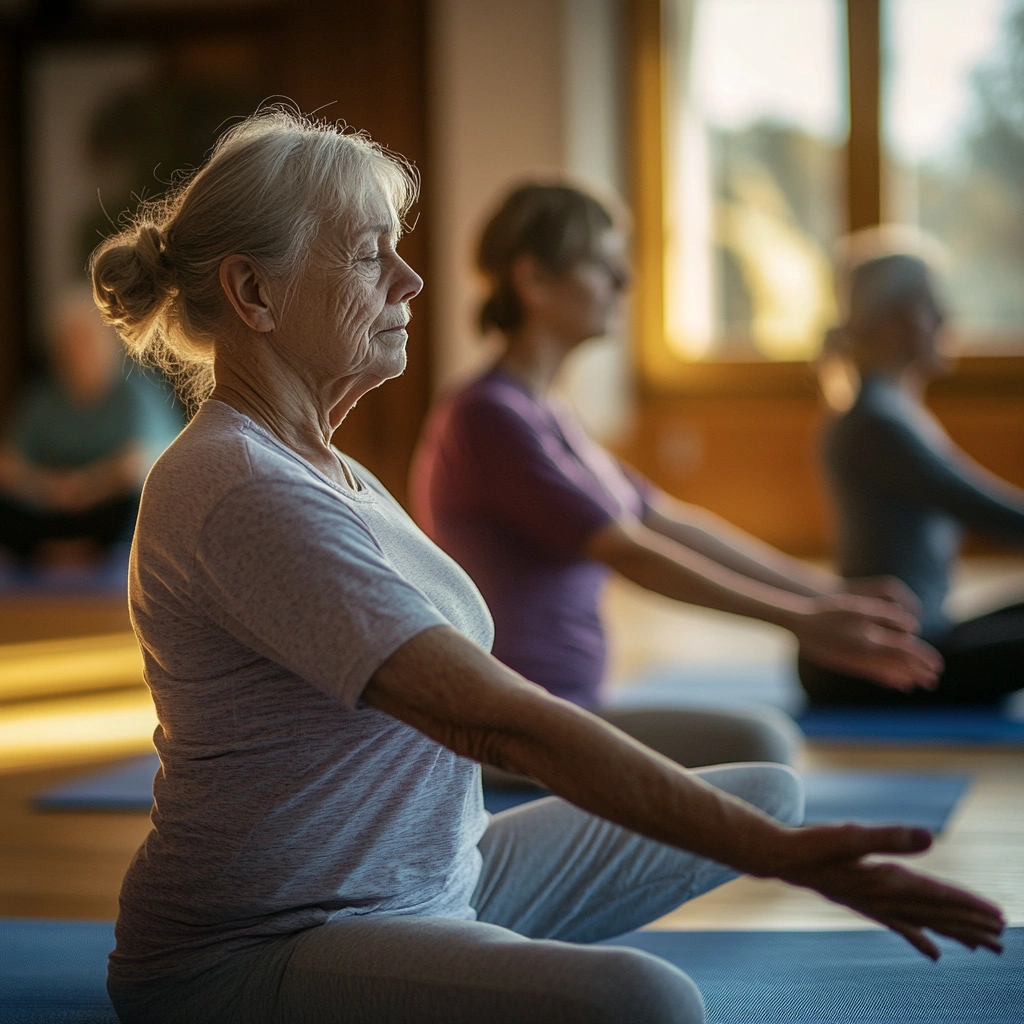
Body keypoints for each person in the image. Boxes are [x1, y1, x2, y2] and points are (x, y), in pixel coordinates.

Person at [90, 110, 1003, 1024]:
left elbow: (651, 521)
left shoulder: (328, 462)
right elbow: (495, 723)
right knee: (645, 1001)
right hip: (269, 943)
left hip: (444, 871)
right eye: (371, 256)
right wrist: (781, 857)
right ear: (253, 293)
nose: (410, 280)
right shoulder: (239, 488)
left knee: (767, 786)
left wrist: (815, 619)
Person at [411, 183, 944, 772]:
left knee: (759, 750)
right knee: (762, 749)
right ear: (534, 280)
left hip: (566, 711)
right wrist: (798, 621)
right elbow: (630, 551)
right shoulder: (487, 417)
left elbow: (667, 521)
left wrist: (825, 596)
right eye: (602, 264)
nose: (625, 282)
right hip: (515, 729)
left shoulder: (546, 413)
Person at [800, 246, 1024, 706]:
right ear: (888, 321)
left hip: (914, 636)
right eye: (929, 303)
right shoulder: (876, 424)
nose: (946, 317)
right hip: (869, 660)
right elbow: (985, 510)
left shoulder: (892, 411)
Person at [0, 286, 180, 567]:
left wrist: (88, 487)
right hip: (50, 505)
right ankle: (53, 552)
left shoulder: (136, 394)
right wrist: (47, 488)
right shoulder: (41, 400)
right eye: (71, 342)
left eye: (88, 340)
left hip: (105, 505)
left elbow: (143, 462)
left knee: (136, 503)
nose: (80, 352)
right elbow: (9, 463)